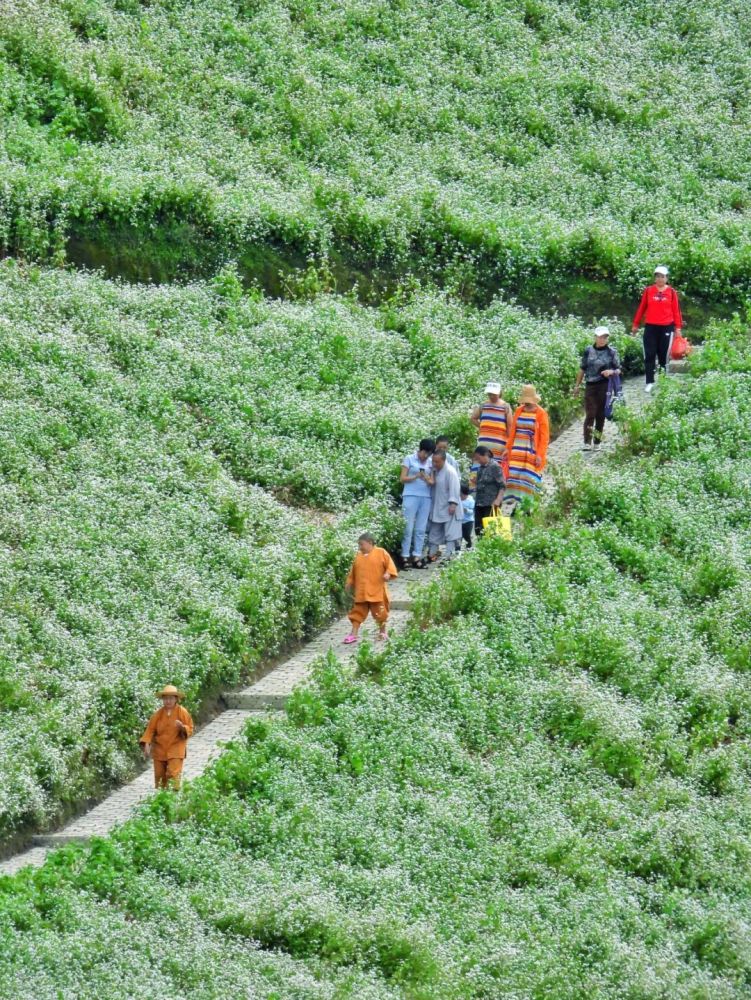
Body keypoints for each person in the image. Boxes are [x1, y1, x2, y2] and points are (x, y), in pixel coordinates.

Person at [631, 265, 683, 393]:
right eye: (658, 276)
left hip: (666, 326)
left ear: (667, 278)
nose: (660, 279)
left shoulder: (671, 292)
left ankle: (663, 380)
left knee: (663, 355)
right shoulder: (649, 291)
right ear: (655, 278)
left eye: (662, 276)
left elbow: (676, 311)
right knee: (649, 354)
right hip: (651, 327)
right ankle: (649, 381)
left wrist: (678, 328)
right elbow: (642, 308)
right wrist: (636, 324)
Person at [574, 326, 622, 452]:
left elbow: (618, 369)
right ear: (595, 337)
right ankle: (587, 441)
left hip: (605, 385)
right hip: (590, 385)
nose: (602, 339)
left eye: (604, 337)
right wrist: (577, 385)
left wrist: (610, 371)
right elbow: (582, 368)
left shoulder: (612, 352)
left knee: (600, 414)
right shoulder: (588, 351)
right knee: (590, 413)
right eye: (600, 337)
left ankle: (597, 441)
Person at [344, 533, 398, 643]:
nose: (360, 547)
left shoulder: (381, 552)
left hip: (376, 591)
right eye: (359, 545)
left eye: (361, 544)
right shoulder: (358, 556)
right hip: (361, 592)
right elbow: (353, 572)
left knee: (380, 613)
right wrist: (349, 582)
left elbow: (390, 566)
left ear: (370, 543)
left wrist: (388, 573)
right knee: (357, 613)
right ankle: (353, 634)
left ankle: (382, 632)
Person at [140, 685, 194, 790]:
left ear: (176, 699)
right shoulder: (158, 714)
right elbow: (150, 730)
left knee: (173, 774)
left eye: (170, 698)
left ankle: (173, 798)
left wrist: (182, 727)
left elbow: (190, 727)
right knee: (159, 777)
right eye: (165, 698)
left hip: (176, 748)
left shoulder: (182, 712)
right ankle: (162, 799)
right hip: (160, 749)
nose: (168, 701)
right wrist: (147, 743)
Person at [502, 385, 550, 504]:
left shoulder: (541, 413)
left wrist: (539, 455)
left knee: (528, 477)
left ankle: (527, 505)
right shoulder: (519, 410)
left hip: (531, 450)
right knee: (515, 476)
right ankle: (515, 502)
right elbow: (513, 430)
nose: (526, 403)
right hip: (517, 449)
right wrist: (508, 448)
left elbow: (544, 437)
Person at [400, 438, 435, 569]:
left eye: (428, 454)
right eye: (424, 453)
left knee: (421, 528)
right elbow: (402, 479)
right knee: (408, 527)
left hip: (425, 496)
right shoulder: (409, 458)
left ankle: (417, 555)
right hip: (410, 495)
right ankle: (404, 555)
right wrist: (415, 477)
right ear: (420, 450)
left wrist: (425, 477)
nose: (425, 456)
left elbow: (432, 482)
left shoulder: (431, 463)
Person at [427, 450, 464, 563]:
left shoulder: (450, 471)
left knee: (450, 533)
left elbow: (455, 488)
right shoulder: (434, 471)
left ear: (443, 460)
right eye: (433, 461)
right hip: (437, 505)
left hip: (449, 506)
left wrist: (453, 504)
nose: (434, 463)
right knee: (434, 531)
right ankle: (432, 553)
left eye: (437, 462)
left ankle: (448, 556)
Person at [470, 381, 513, 460]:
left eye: (494, 394)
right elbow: (473, 418)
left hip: (499, 447)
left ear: (499, 393)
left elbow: (510, 427)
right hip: (483, 445)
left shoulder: (505, 407)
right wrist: (483, 426)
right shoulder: (483, 405)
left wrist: (509, 446)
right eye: (490, 394)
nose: (492, 396)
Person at [472, 445, 505, 537]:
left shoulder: (495, 467)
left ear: (485, 455)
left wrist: (498, 499)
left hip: (490, 503)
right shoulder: (480, 468)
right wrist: (476, 482)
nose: (478, 461)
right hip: (479, 502)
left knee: (489, 528)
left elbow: (502, 485)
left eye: (479, 458)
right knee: (478, 528)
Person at [460, 482, 475, 550]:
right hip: (460, 521)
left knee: (467, 535)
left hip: (468, 521)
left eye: (461, 495)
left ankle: (469, 547)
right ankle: (457, 548)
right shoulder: (458, 499)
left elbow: (472, 512)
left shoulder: (470, 500)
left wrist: (466, 510)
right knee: (459, 536)